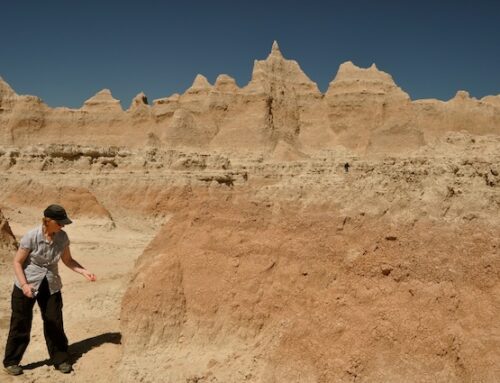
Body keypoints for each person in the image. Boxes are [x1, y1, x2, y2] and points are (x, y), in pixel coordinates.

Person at [3, 204, 96, 376]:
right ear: (48, 220)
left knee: (54, 320)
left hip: (51, 283)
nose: (63, 226)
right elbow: (17, 262)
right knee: (21, 322)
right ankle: (11, 361)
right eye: (60, 223)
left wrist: (84, 271)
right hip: (27, 282)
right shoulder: (31, 236)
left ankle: (60, 359)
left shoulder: (63, 237)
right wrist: (24, 285)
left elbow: (68, 260)